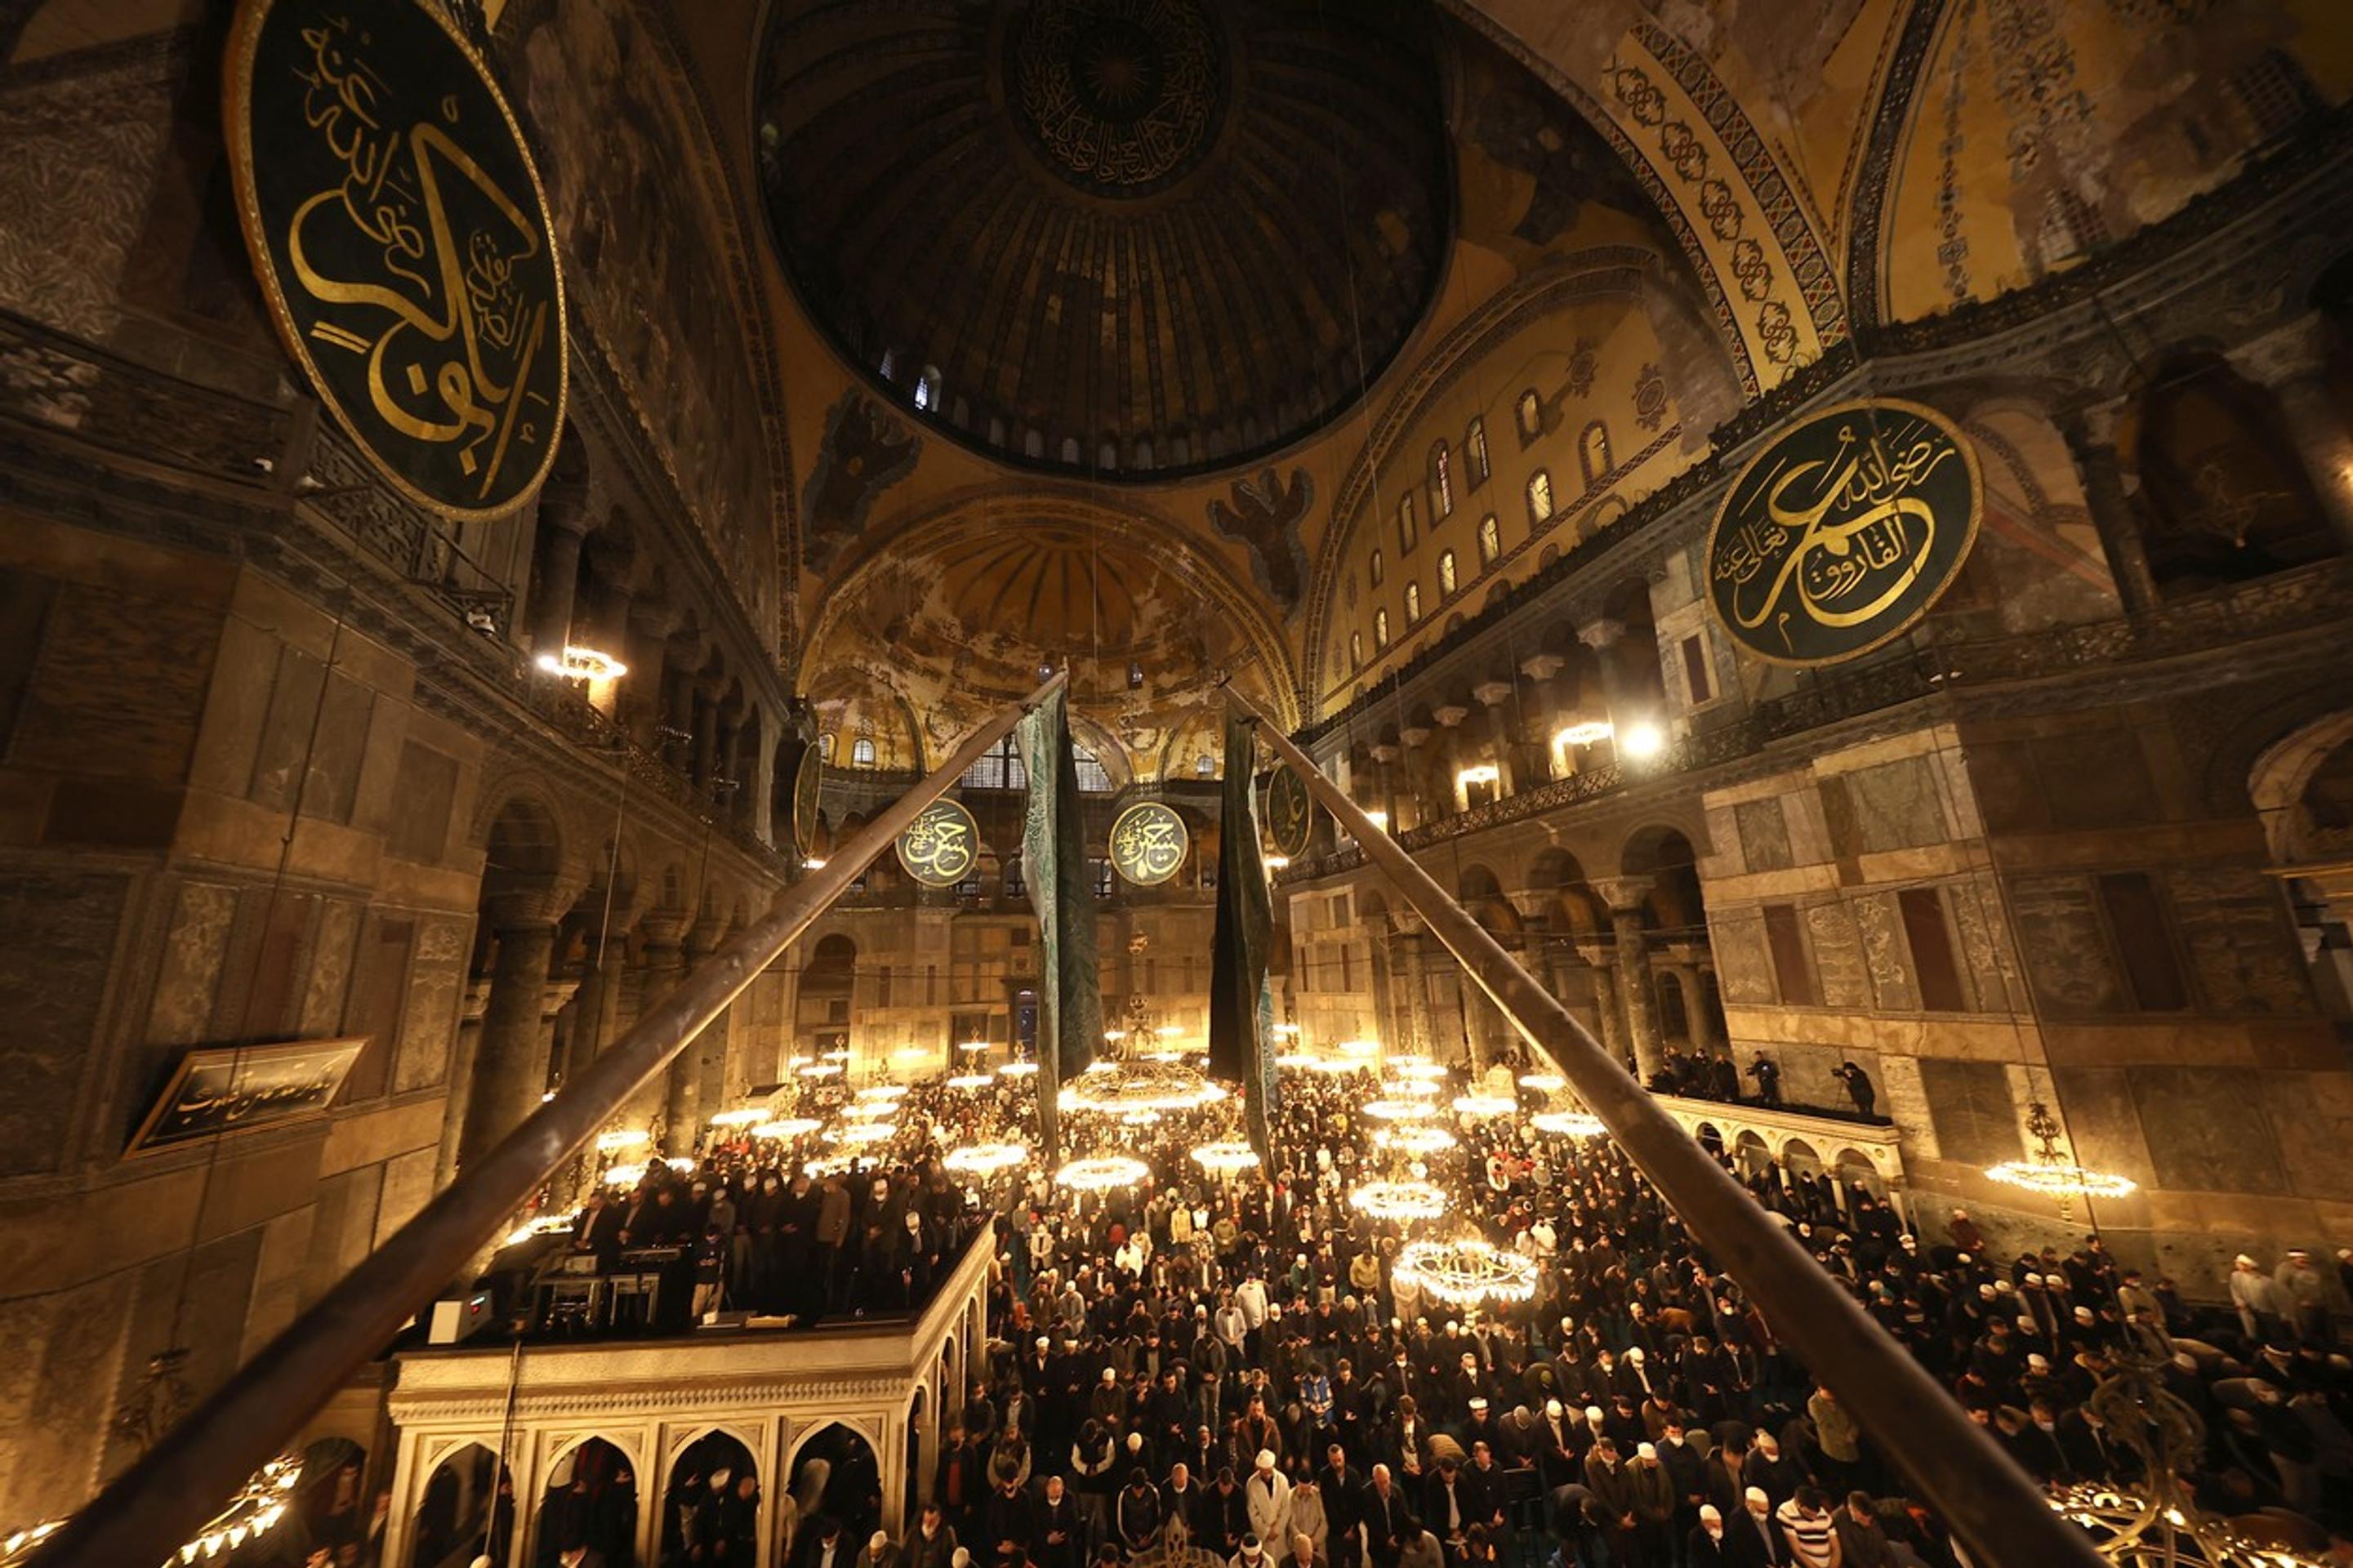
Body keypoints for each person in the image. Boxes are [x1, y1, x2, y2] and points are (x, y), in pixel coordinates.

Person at [1774, 1488, 1837, 1568]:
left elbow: (1836, 1548)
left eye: (1817, 1515)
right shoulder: (1785, 1511)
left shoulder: (1821, 1511)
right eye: (1810, 1514)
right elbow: (1797, 1551)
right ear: (1800, 1506)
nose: (1815, 1518)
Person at [1829, 1493, 1892, 1568]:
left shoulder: (1868, 1512)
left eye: (1870, 1520)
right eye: (1863, 1519)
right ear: (1853, 1510)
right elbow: (1851, 1554)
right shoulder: (1839, 1519)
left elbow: (1883, 1545)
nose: (1867, 1524)